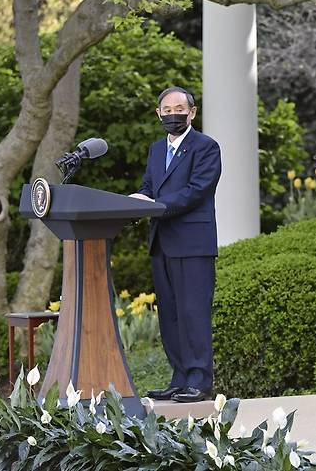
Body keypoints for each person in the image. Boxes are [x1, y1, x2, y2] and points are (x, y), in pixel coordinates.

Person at [130, 86, 221, 403]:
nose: (172, 115)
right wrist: (137, 201)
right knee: (169, 315)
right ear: (158, 114)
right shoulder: (156, 149)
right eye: (166, 110)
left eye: (178, 109)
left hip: (193, 243)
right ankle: (180, 378)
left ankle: (200, 381)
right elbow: (148, 185)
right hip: (162, 243)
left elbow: (197, 191)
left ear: (192, 112)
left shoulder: (206, 147)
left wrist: (155, 205)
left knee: (193, 312)